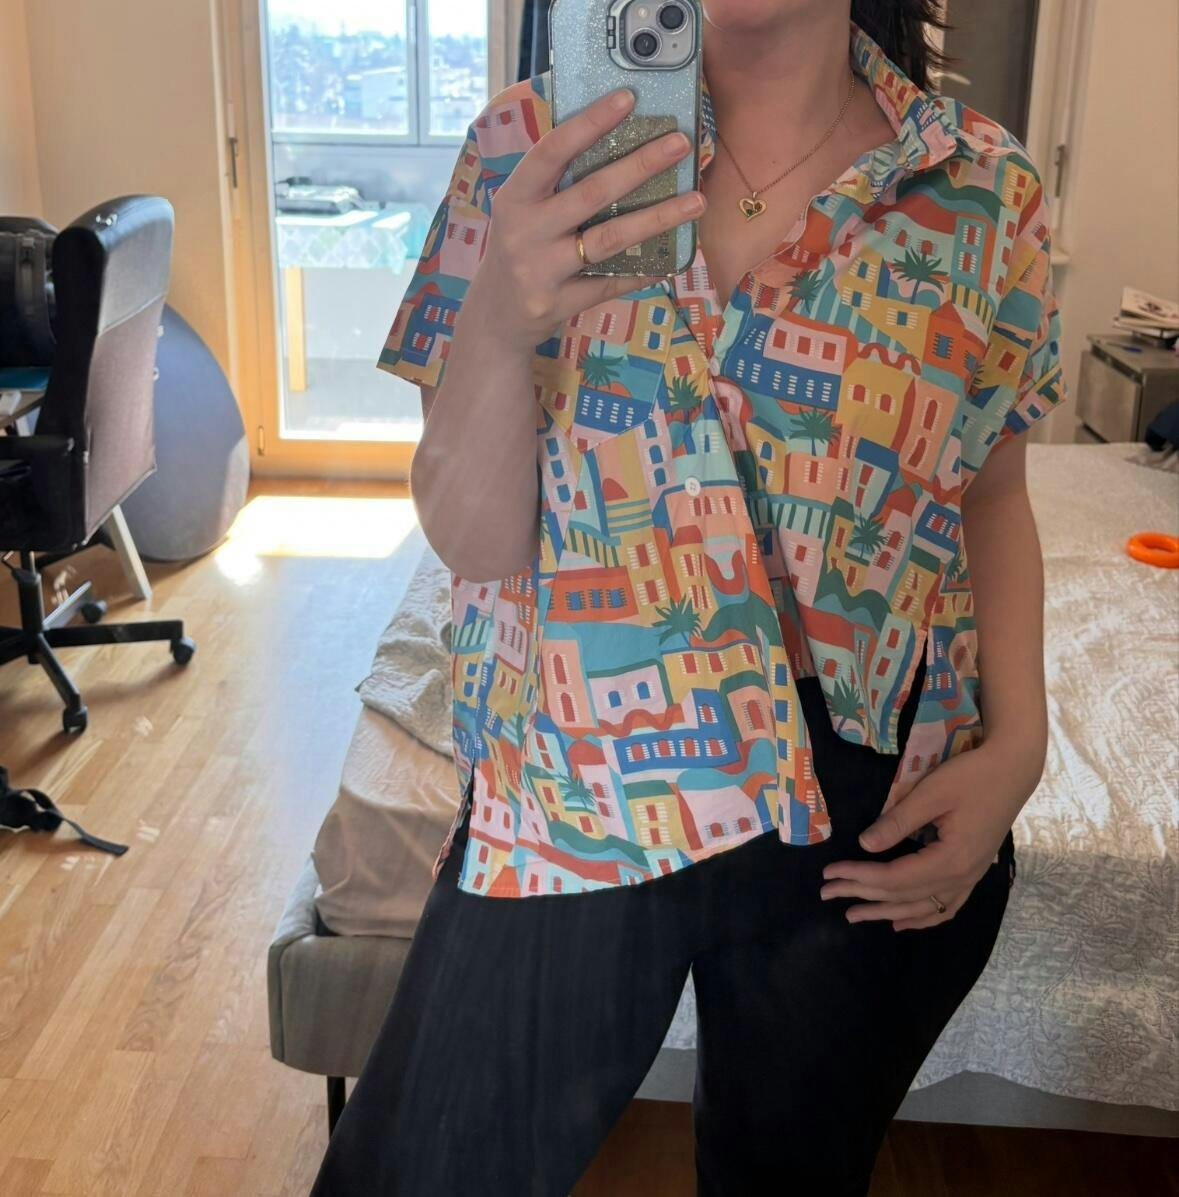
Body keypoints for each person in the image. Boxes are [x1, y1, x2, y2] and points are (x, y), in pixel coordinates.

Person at [311, 1, 1067, 1192]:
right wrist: (500, 321)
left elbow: (993, 492)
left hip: (871, 795)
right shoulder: (524, 148)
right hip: (579, 770)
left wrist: (1021, 746)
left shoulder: (983, 191)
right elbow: (474, 540)